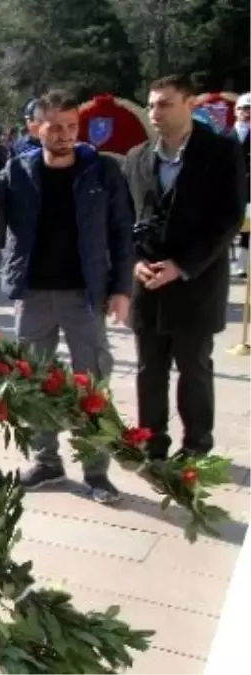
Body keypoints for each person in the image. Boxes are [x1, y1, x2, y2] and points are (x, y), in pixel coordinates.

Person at [0, 90, 134, 504]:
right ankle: (47, 462)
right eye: (55, 127)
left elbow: (122, 232)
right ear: (34, 128)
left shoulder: (102, 171)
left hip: (83, 296)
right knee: (35, 385)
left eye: (72, 126)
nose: (65, 135)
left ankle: (96, 473)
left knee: (91, 384)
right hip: (33, 296)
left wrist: (122, 289)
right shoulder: (17, 170)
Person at [123, 76, 248, 461]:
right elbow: (124, 219)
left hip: (196, 283)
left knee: (193, 370)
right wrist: (135, 262)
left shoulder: (221, 153)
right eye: (151, 105)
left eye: (165, 104)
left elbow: (226, 220)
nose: (155, 112)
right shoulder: (136, 157)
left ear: (189, 104)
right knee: (149, 370)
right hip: (148, 286)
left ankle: (196, 445)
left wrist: (183, 265)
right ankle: (151, 442)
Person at [230, 92, 250, 279]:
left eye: (250, 109)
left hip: (250, 192)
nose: (247, 112)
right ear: (236, 111)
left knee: (247, 232)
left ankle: (242, 266)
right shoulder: (225, 136)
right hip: (229, 191)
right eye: (244, 108)